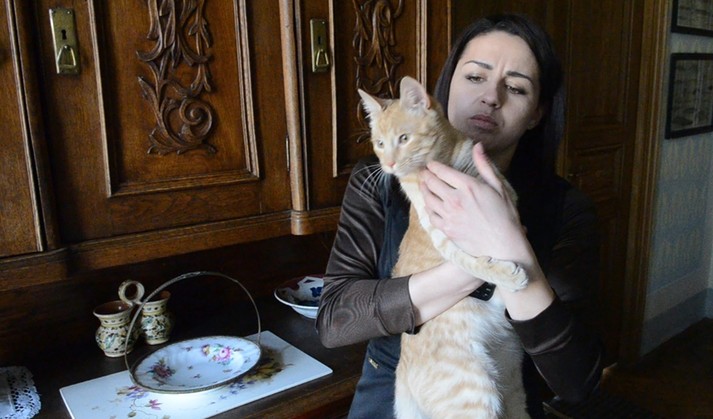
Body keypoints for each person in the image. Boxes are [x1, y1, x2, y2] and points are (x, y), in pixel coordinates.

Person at [316, 14, 604, 419]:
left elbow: (577, 382)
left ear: (537, 113)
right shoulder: (379, 179)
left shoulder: (567, 206)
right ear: (445, 87)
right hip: (396, 393)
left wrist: (512, 243)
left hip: (499, 391)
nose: (491, 97)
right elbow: (334, 320)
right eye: (475, 77)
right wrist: (474, 268)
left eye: (515, 87)